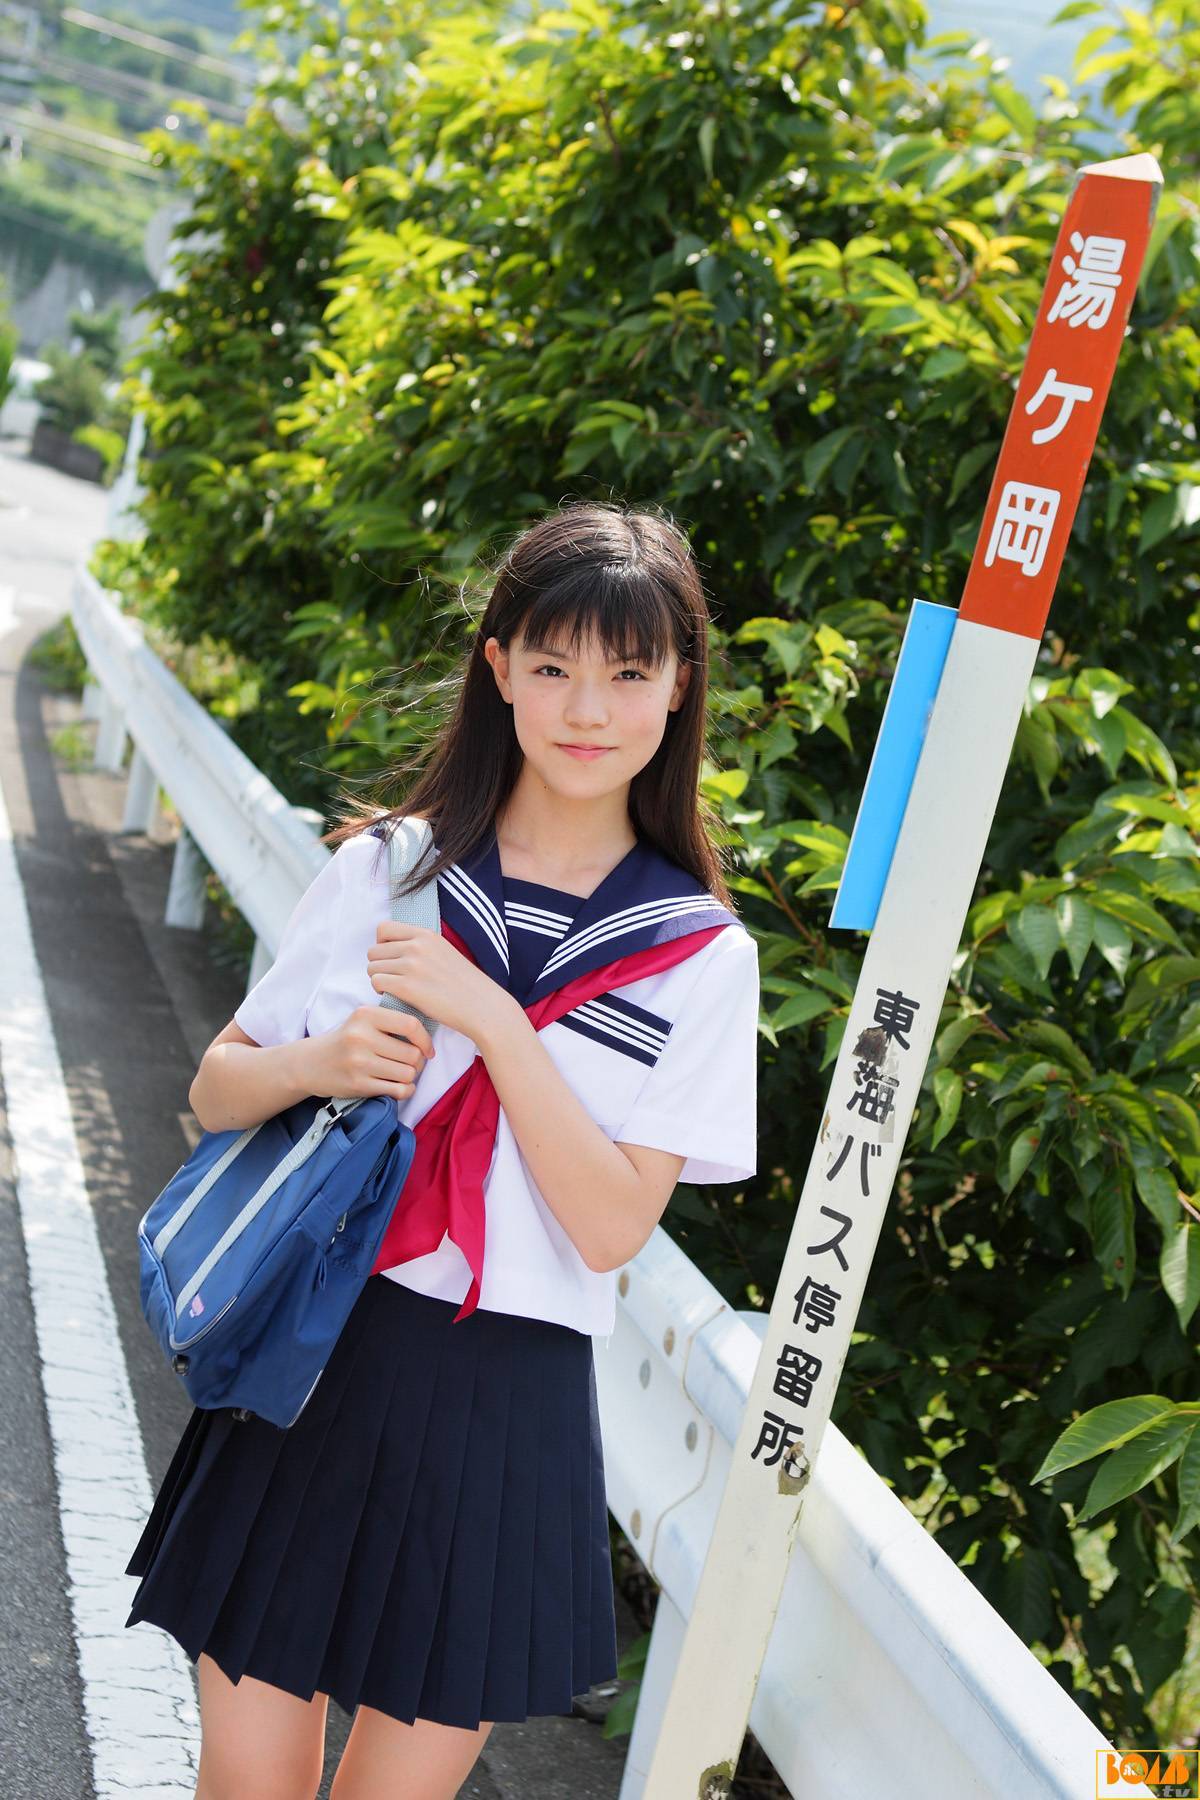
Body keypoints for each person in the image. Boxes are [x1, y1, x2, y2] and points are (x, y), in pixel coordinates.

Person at [123, 498, 761, 1800]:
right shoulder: (392, 871)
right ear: (499, 668)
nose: (588, 709)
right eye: (552, 666)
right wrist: (316, 1065)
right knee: (246, 1783)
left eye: (628, 674)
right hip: (321, 1353)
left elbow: (607, 1229)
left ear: (678, 686)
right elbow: (216, 1091)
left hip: (506, 1404)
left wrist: (494, 1026)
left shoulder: (700, 954)